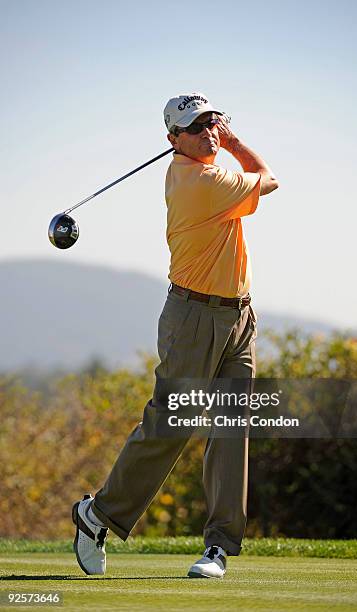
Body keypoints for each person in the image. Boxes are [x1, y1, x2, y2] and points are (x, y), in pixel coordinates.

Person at [72, 92, 278, 578]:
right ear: (174, 141)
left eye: (212, 123)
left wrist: (221, 140)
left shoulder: (208, 172)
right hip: (193, 318)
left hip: (238, 317)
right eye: (198, 127)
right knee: (171, 424)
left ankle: (219, 548)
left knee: (232, 430)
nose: (209, 132)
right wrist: (235, 140)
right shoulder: (199, 181)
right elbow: (269, 178)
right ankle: (98, 514)